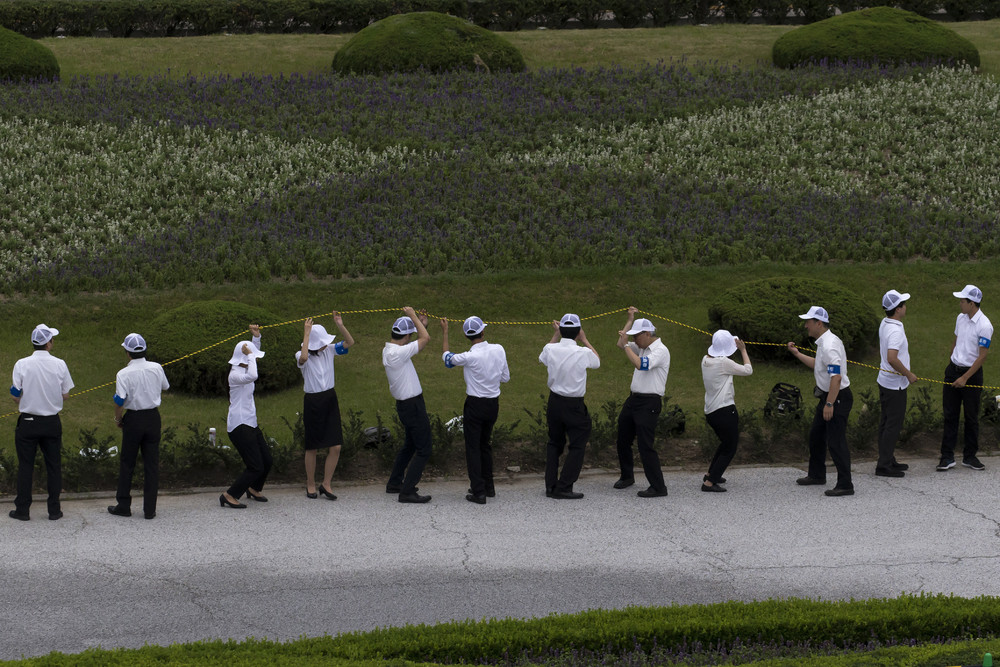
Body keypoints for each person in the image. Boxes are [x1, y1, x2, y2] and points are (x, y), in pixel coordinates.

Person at [9, 324, 74, 521]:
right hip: (51, 422)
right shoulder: (60, 364)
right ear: (48, 343)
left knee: (25, 465)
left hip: (28, 421)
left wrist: (27, 401)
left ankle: (22, 510)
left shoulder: (21, 364)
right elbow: (66, 394)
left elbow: (15, 393)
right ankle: (54, 510)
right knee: (54, 465)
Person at [442, 316, 510, 505]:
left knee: (472, 448)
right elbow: (505, 378)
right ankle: (489, 487)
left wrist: (445, 332)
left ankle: (478, 491)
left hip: (475, 404)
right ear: (483, 331)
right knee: (485, 445)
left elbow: (447, 359)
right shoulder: (499, 349)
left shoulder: (468, 356)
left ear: (466, 335)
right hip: (492, 404)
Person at [787, 306, 854, 497]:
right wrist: (797, 354)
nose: (805, 325)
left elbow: (836, 377)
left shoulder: (830, 345)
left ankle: (846, 484)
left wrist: (830, 404)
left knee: (836, 441)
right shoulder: (823, 343)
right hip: (829, 396)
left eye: (808, 322)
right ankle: (817, 475)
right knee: (816, 436)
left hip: (837, 397)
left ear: (819, 323)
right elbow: (819, 365)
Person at [538, 314, 600, 500]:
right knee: (578, 444)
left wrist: (556, 335)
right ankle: (564, 486)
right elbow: (597, 361)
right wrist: (585, 339)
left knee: (554, 443)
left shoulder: (551, 348)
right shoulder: (583, 352)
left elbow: (543, 357)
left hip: (555, 401)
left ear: (561, 330)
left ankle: (550, 485)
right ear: (578, 331)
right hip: (574, 404)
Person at [108, 333, 170, 520]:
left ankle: (124, 505)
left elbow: (119, 400)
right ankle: (149, 509)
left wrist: (118, 419)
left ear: (127, 353)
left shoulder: (123, 373)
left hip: (134, 418)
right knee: (151, 464)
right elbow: (165, 386)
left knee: (128, 462)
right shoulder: (156, 367)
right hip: (152, 417)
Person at [296, 313, 355, 500]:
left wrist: (340, 325)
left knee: (335, 446)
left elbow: (349, 342)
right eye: (320, 342)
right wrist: (306, 334)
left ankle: (326, 483)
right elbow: (304, 358)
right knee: (312, 447)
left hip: (330, 398)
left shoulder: (329, 350)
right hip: (313, 401)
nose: (324, 344)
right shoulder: (300, 354)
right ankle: (310, 483)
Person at [614, 307, 671, 498]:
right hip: (634, 399)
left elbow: (641, 364)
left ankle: (658, 487)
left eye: (636, 336)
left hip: (649, 402)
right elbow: (620, 344)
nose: (634, 340)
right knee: (623, 438)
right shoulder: (643, 346)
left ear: (647, 333)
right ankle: (627, 476)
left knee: (645, 445)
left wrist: (629, 346)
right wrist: (630, 320)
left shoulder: (660, 350)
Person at [938, 284, 992, 472]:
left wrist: (965, 378)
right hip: (953, 370)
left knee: (971, 416)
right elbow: (956, 340)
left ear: (972, 303)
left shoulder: (985, 325)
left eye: (962, 301)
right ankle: (946, 457)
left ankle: (970, 456)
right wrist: (952, 362)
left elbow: (982, 356)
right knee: (950, 414)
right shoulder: (960, 318)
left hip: (972, 375)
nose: (960, 304)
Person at [220, 324, 272, 509]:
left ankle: (253, 488)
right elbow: (253, 375)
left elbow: (252, 363)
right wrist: (250, 354)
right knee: (255, 466)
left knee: (267, 460)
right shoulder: (235, 375)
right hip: (239, 425)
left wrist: (255, 338)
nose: (254, 359)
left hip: (250, 422)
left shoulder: (245, 365)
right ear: (244, 358)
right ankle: (229, 495)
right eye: (252, 357)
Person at [384, 307, 433, 504]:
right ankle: (407, 491)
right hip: (412, 406)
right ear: (405, 336)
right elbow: (425, 339)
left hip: (406, 405)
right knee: (424, 449)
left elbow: (416, 341)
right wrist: (414, 317)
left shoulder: (391, 350)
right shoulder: (398, 354)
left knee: (410, 445)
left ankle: (395, 482)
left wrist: (421, 324)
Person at [701, 330, 753, 493]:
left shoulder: (705, 359)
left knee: (725, 443)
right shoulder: (723, 362)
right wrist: (743, 350)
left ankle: (711, 473)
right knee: (730, 447)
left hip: (711, 410)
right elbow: (748, 370)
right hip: (724, 410)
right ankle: (709, 483)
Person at [876, 290, 917, 478]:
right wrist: (908, 374)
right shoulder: (896, 330)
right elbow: (892, 358)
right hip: (895, 385)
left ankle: (887, 458)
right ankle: (884, 465)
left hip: (885, 382)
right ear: (898, 309)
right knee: (892, 425)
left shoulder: (885, 323)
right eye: (903, 304)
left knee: (885, 423)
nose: (905, 307)